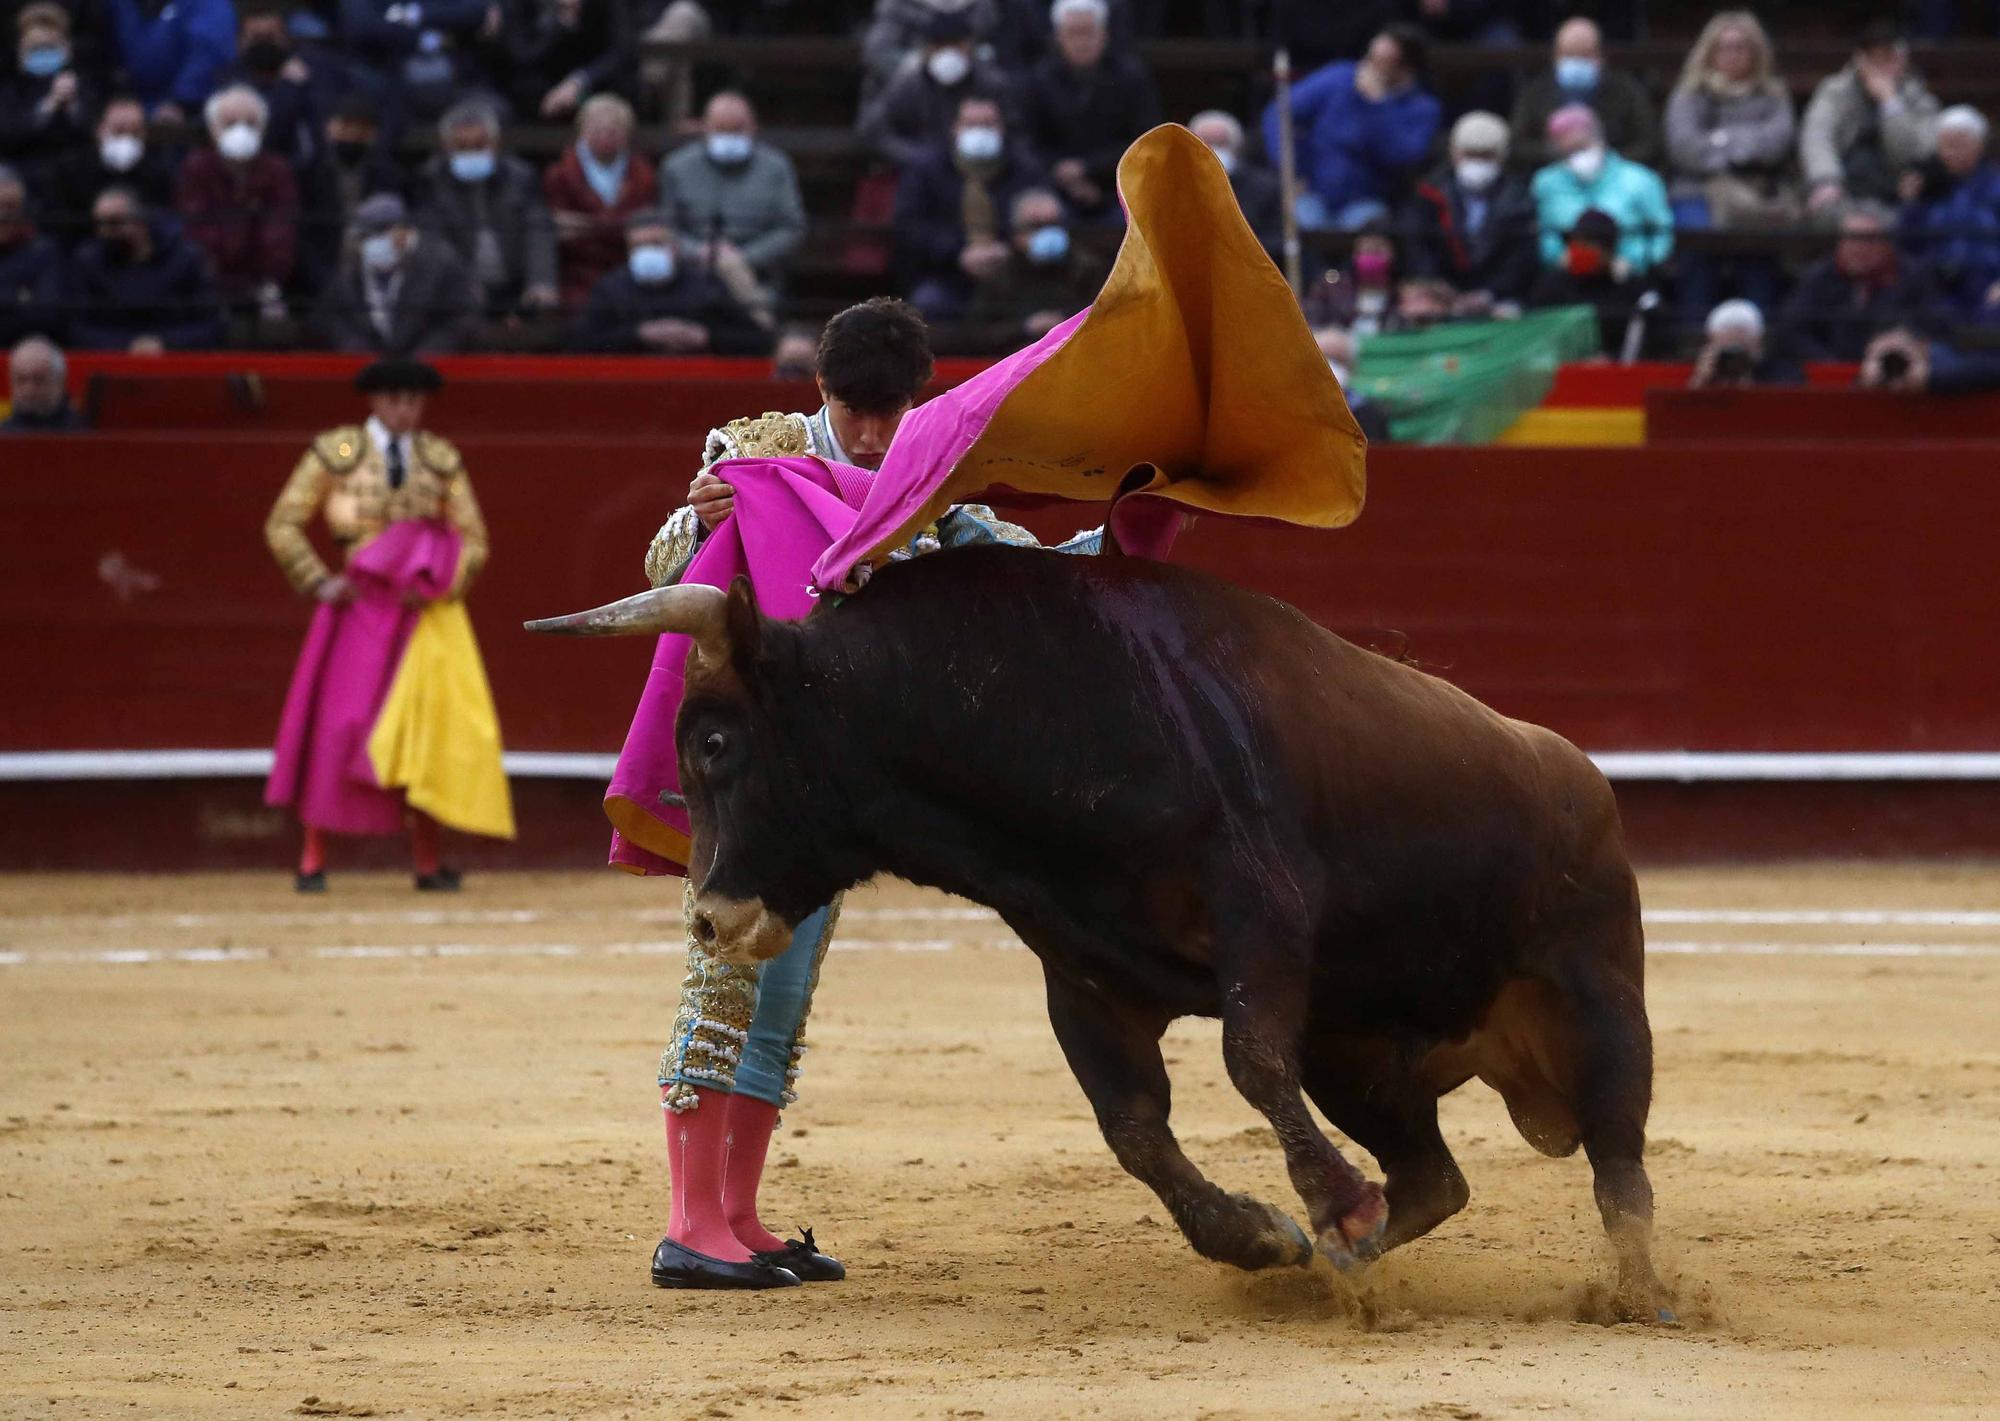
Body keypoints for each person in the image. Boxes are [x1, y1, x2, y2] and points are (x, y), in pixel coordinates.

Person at [637, 296, 1102, 1290]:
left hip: (834, 786)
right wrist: (697, 515)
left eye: (889, 409)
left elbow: (1009, 562)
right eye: (855, 408)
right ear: (821, 391)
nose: (870, 431)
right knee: (724, 975)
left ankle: (739, 1214)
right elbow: (665, 568)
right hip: (745, 772)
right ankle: (686, 1224)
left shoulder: (924, 476)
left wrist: (1117, 544)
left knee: (785, 986)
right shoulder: (755, 450)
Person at [264, 357, 512, 892]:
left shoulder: (440, 459)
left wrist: (441, 586)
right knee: (342, 727)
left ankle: (426, 861)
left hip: (416, 614)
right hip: (355, 608)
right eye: (396, 399)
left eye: (415, 400)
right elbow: (283, 522)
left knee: (422, 729)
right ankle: (312, 859)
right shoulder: (337, 452)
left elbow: (475, 538)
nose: (406, 410)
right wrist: (317, 580)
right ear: (374, 401)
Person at [1260, 24, 1440, 231]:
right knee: (1301, 224)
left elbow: (1401, 156)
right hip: (1312, 192)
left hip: (1370, 201)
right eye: (1370, 56)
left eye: (1381, 61)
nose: (1368, 66)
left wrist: (1378, 104)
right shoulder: (1339, 77)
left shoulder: (1422, 108)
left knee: (1368, 229)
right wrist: (1288, 168)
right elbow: (1279, 112)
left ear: (1406, 68)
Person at [891, 91, 1046, 320]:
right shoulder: (926, 170)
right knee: (929, 303)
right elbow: (908, 226)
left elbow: (1044, 218)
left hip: (1015, 273)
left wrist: (1008, 248)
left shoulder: (1025, 169)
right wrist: (958, 252)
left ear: (1002, 128)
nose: (980, 132)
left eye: (988, 124)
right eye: (971, 124)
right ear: (955, 127)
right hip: (945, 273)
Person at [656, 90, 805, 318]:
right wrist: (698, 252)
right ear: (704, 128)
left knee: (737, 276)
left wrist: (743, 257)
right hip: (692, 270)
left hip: (758, 273)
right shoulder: (676, 167)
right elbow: (666, 228)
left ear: (754, 127)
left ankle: (761, 333)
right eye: (721, 130)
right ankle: (762, 330)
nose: (729, 137)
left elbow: (792, 228)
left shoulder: (777, 167)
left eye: (737, 130)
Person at [416, 99, 560, 323]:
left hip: (516, 286)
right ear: (447, 147)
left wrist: (540, 282)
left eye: (480, 145)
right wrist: (463, 286)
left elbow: (538, 229)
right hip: (460, 289)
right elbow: (433, 241)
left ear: (495, 143)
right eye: (462, 147)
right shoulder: (432, 181)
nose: (472, 153)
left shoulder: (520, 177)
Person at [1019, 0, 1159, 224]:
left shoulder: (1131, 78)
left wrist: (1089, 169)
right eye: (1073, 33)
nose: (1081, 42)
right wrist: (1066, 176)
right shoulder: (1039, 81)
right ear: (1058, 37)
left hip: (1117, 188)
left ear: (1104, 34)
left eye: (1088, 32)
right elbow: (1027, 143)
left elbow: (1145, 141)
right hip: (1057, 188)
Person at [175, 83, 300, 326]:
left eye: (250, 123)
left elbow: (281, 233)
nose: (241, 131)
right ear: (213, 129)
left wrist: (267, 279)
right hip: (209, 281)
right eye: (230, 123)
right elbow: (195, 231)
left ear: (263, 129)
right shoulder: (196, 169)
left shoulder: (278, 170)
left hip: (265, 284)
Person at [568, 207, 769, 355]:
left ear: (674, 247)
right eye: (639, 246)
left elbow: (756, 339)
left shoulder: (705, 286)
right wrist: (639, 334)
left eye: (656, 244)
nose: (647, 252)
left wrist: (705, 336)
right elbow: (579, 341)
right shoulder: (612, 288)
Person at [1401, 109, 1540, 309]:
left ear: (1502, 156)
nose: (1477, 163)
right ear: (1454, 153)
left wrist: (1489, 293)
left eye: (1486, 156)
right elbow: (1418, 245)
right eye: (1470, 154)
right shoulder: (1429, 194)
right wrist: (1435, 284)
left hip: (1500, 297)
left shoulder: (1519, 199)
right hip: (1440, 295)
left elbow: (1521, 258)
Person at [1777, 201, 1948, 363]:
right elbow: (1791, 329)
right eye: (1849, 239)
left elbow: (1934, 326)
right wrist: (1826, 362)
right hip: (1830, 376)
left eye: (1865, 240)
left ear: (1886, 243)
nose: (1855, 248)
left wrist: (1900, 344)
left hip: (1891, 376)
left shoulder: (1912, 276)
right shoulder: (1820, 276)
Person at [1800, 21, 1941, 215]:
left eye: (1887, 58)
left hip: (1898, 193)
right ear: (1859, 61)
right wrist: (1826, 179)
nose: (1879, 67)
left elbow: (1910, 154)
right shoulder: (1835, 91)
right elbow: (1817, 136)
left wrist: (1890, 102)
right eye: (1873, 59)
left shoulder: (1921, 101)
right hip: (1843, 187)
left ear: (1903, 60)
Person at [319, 192, 482, 355]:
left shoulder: (442, 264)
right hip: (368, 373)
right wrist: (360, 355)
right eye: (364, 237)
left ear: (404, 229)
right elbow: (335, 320)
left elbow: (459, 320)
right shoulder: (351, 275)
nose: (372, 243)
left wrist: (422, 361)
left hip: (428, 372)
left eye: (380, 233)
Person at [65, 186, 225, 351]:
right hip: (111, 362)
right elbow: (78, 328)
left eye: (114, 223)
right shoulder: (89, 262)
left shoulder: (186, 259)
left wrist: (165, 343)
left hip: (175, 360)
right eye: (99, 224)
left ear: (140, 221)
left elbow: (211, 326)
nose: (104, 232)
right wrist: (126, 345)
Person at [858, 8, 1018, 171]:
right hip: (925, 171)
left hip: (989, 167)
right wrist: (918, 156)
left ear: (970, 46)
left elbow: (1018, 132)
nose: (948, 52)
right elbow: (877, 131)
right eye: (940, 45)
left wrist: (997, 150)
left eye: (956, 45)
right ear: (926, 49)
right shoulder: (908, 84)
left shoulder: (992, 84)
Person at [544, 93, 658, 309]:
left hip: (628, 270)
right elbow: (560, 230)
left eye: (614, 130)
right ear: (582, 131)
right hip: (576, 273)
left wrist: (589, 225)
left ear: (627, 134)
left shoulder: (644, 175)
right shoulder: (559, 174)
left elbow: (645, 228)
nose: (605, 136)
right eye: (597, 129)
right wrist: (618, 227)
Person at [1530, 104, 1673, 275]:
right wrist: (1557, 257)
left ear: (1599, 139)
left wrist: (1636, 262)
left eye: (1582, 147)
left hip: (1630, 277)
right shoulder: (1546, 183)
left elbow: (1662, 232)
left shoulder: (1641, 180)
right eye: (1569, 152)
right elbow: (1543, 232)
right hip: (1566, 278)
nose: (1578, 157)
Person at [1509, 16, 1661, 172]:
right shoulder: (1535, 92)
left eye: (1585, 55)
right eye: (1569, 54)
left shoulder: (1627, 90)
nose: (1577, 61)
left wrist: (1606, 161)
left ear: (1600, 56)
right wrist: (1559, 155)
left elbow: (1648, 143)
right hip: (1550, 173)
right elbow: (1517, 145)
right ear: (1555, 56)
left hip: (1615, 176)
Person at [963, 184, 1107, 347]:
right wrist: (1025, 328)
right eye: (1036, 227)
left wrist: (1064, 323)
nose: (1048, 234)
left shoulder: (1087, 269)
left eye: (1054, 224)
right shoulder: (1001, 276)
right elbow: (977, 335)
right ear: (1017, 234)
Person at [295, 92, 409, 298]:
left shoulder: (389, 177)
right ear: (329, 128)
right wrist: (325, 282)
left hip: (374, 278)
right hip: (315, 283)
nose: (353, 135)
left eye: (362, 130)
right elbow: (301, 239)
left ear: (374, 134)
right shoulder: (307, 175)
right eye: (346, 127)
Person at [1898, 105, 2000, 317]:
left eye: (1957, 145)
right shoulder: (1929, 187)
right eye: (1944, 146)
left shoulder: (1995, 186)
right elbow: (1910, 244)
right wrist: (1911, 204)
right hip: (1937, 285)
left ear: (1978, 146)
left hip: (1987, 282)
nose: (1948, 153)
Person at [1527, 207, 1667, 360]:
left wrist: (1611, 358)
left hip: (1613, 373)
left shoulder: (1630, 285)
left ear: (1609, 250)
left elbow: (1655, 327)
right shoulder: (1552, 285)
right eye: (1576, 242)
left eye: (1588, 243)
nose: (1579, 249)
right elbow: (1536, 335)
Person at [45, 93, 176, 245]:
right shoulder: (70, 170)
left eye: (135, 132)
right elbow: (60, 227)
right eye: (119, 131)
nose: (127, 139)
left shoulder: (158, 170)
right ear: (99, 130)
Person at [0, 2, 96, 180]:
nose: (43, 53)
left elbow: (93, 130)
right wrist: (47, 107)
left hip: (74, 172)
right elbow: (7, 134)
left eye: (50, 47)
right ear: (21, 48)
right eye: (36, 48)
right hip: (23, 170)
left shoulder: (81, 82)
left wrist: (72, 105)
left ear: (66, 47)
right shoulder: (10, 88)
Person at [499, 0, 634, 122]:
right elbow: (521, 55)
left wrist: (578, 82)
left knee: (622, 90)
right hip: (544, 84)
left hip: (593, 82)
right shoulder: (522, 5)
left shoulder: (609, 5)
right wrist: (560, 26)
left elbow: (620, 52)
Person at [106, 0, 236, 122]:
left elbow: (210, 50)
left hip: (193, 111)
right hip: (122, 107)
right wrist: (120, 99)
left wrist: (180, 101)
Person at [1189, 108, 1281, 259]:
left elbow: (1276, 240)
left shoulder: (1264, 188)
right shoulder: (1177, 186)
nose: (1213, 150)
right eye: (1206, 143)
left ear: (1235, 146)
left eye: (1221, 143)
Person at [860, 0, 1000, 98]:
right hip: (913, 94)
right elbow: (878, 53)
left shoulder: (983, 6)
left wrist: (973, 62)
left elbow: (998, 49)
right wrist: (923, 66)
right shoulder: (897, 5)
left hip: (970, 93)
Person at [0, 163, 61, 346]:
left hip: (26, 348)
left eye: (10, 207)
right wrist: (18, 298)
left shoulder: (44, 251)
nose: (2, 215)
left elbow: (47, 317)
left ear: (24, 210)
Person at [1688, 298, 1799, 388]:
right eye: (1726, 351)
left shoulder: (1784, 373)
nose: (1733, 359)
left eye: (1739, 349)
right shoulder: (1705, 369)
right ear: (1711, 343)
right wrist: (1701, 382)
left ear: (1758, 342)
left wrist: (1750, 383)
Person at [2, 332, 84, 429]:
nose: (29, 390)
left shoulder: (85, 435)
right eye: (21, 380)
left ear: (60, 381)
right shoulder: (4, 436)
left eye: (39, 380)